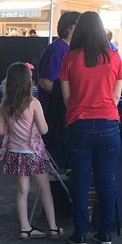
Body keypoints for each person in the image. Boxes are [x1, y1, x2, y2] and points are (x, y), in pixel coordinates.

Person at [60, 11, 122, 244]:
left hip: (79, 125)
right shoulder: (114, 58)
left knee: (79, 180)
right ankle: (105, 233)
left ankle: (79, 234)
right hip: (109, 125)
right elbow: (117, 97)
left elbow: (66, 99)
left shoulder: (69, 58)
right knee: (106, 179)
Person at [0, 62, 62, 240]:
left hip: (16, 153)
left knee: (22, 190)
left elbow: (0, 131)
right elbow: (44, 130)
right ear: (27, 82)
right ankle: (53, 227)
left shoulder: (4, 104)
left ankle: (25, 228)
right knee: (45, 189)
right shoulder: (34, 103)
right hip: (34, 154)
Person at [36, 11, 82, 154]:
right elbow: (45, 82)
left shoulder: (70, 49)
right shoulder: (57, 50)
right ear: (69, 27)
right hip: (54, 110)